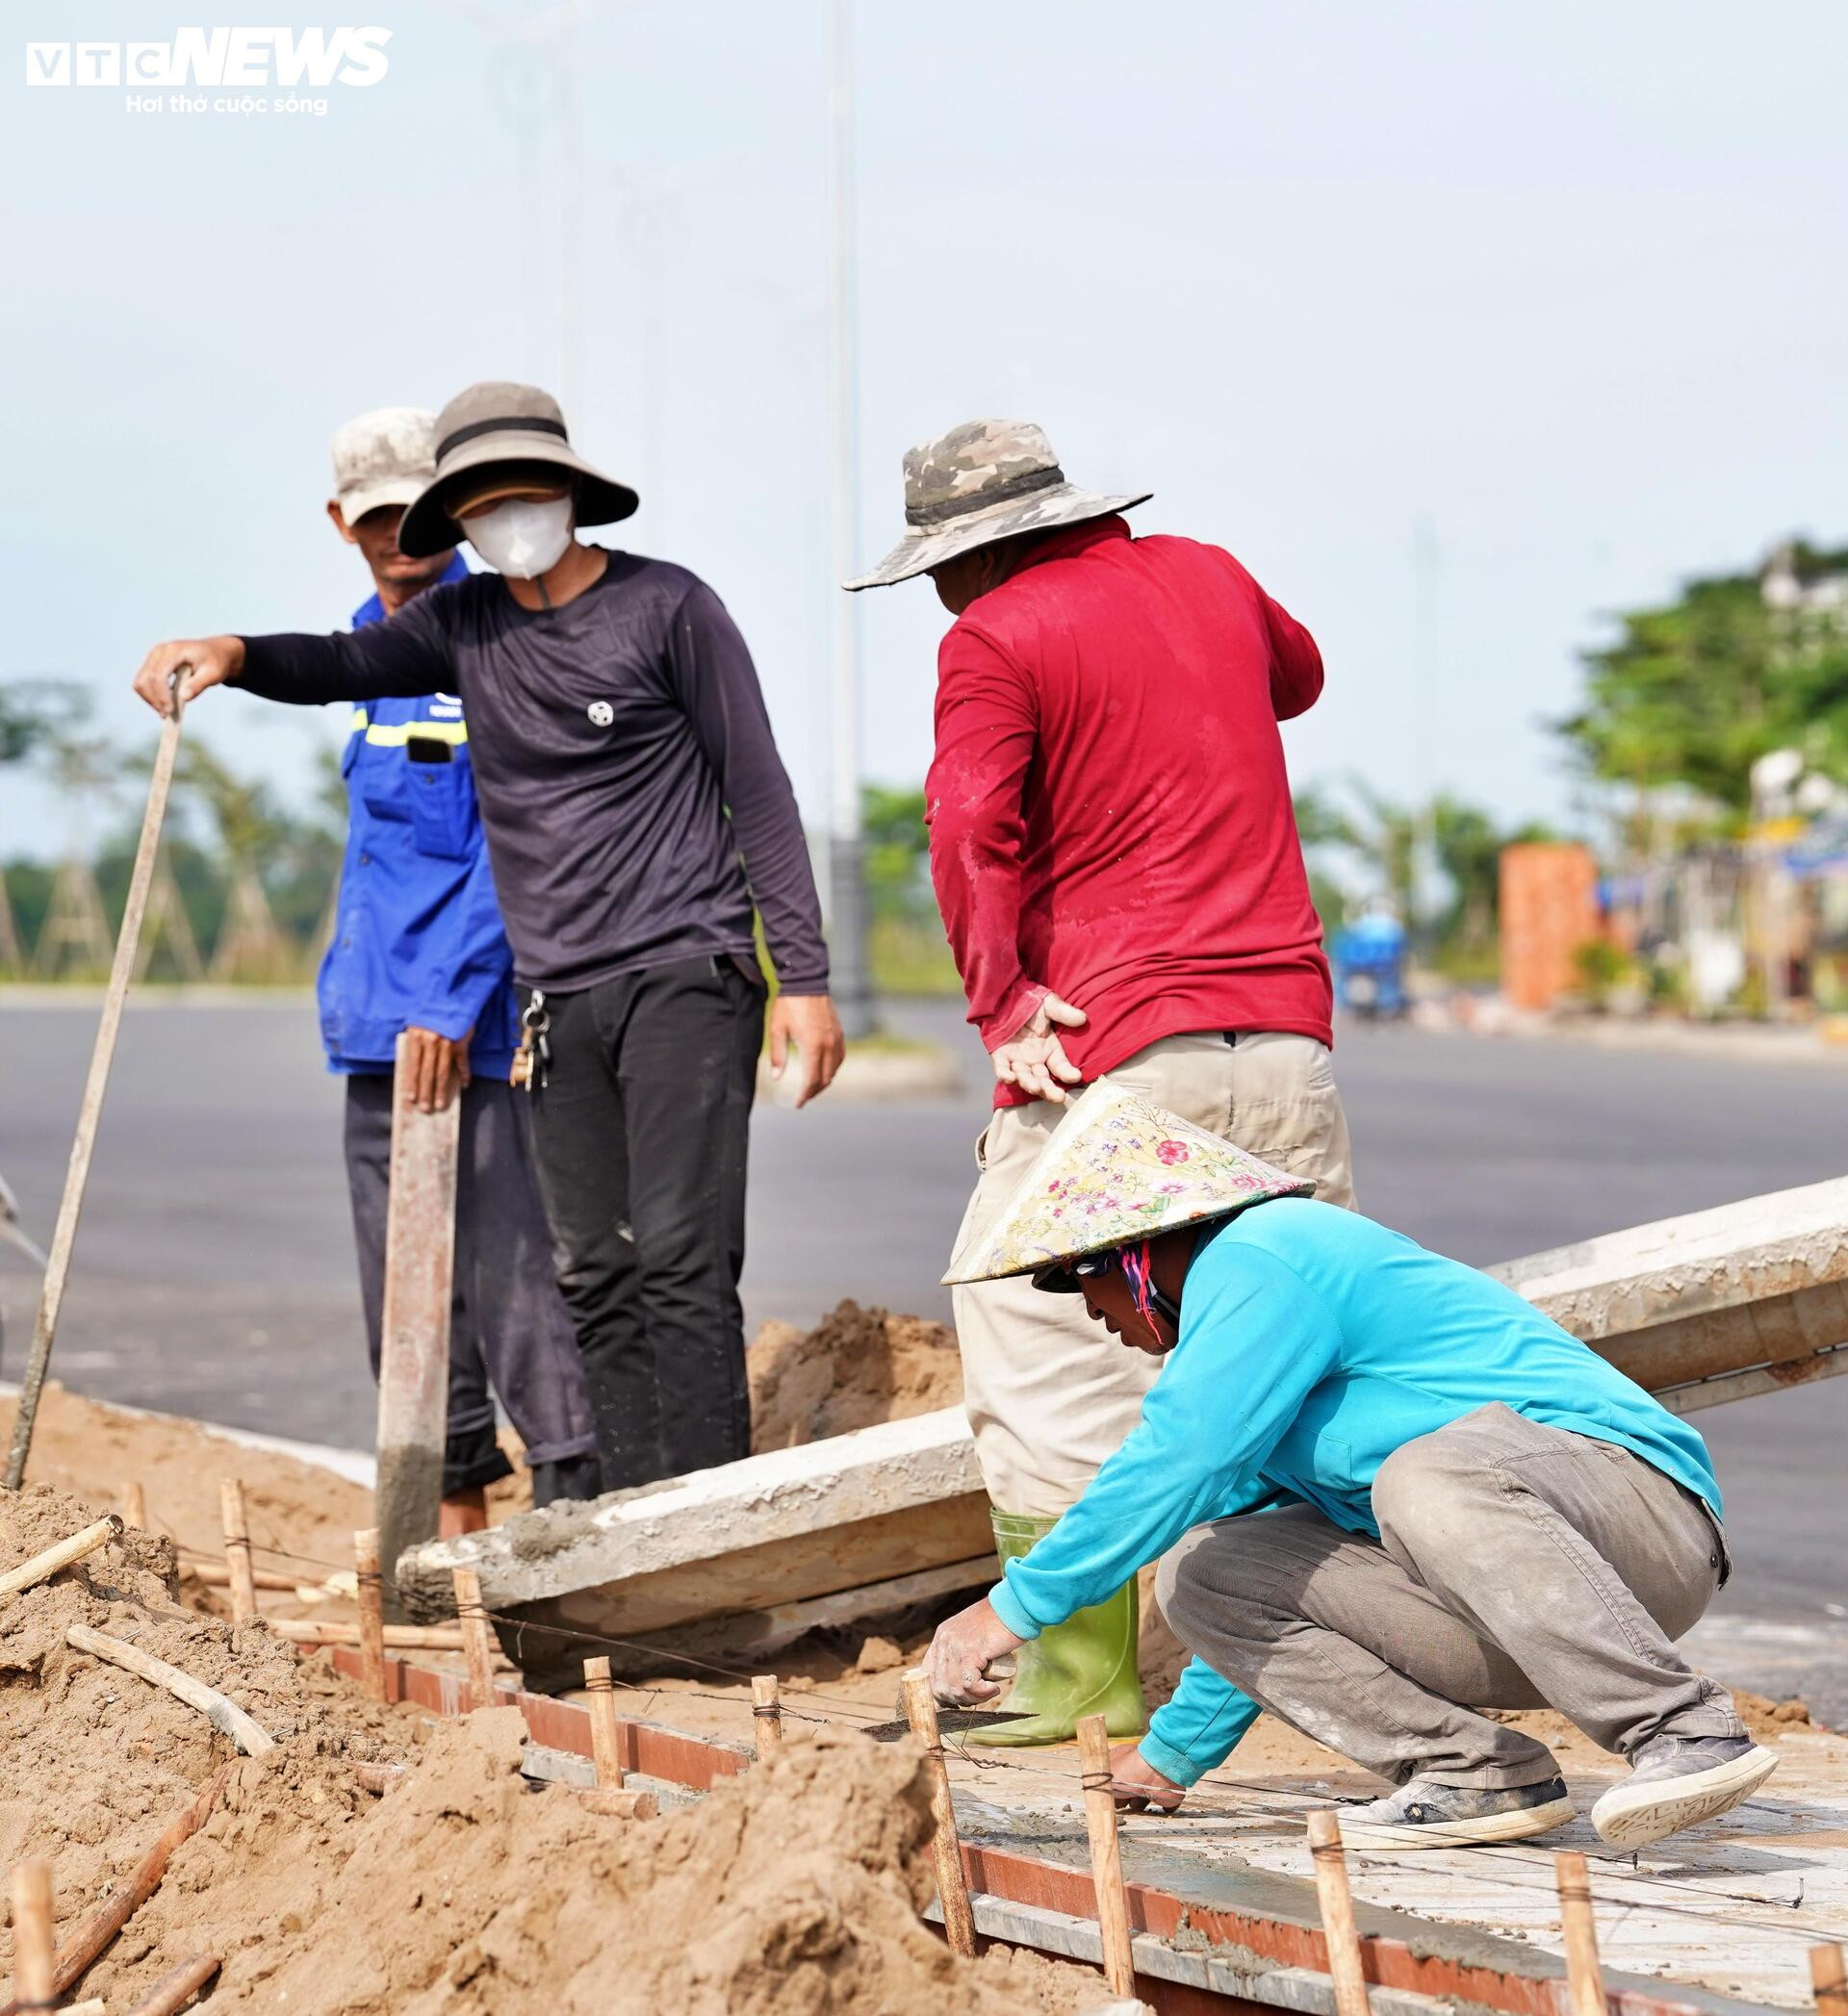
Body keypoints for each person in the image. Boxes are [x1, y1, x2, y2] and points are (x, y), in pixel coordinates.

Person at [134, 382, 844, 1492]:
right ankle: (635, 1524)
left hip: (684, 968)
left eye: (527, 489)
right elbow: (336, 664)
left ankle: (713, 1519)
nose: (510, 514)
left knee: (679, 1256)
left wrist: (802, 975)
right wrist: (228, 650)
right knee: (594, 1268)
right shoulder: (463, 627)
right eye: (484, 499)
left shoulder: (667, 607)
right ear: (458, 517)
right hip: (559, 994)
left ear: (568, 492)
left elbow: (756, 788)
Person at [845, 417, 1356, 1744]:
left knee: (1039, 1341)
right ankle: (1313, 1665)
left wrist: (1002, 1000)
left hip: (1121, 1052)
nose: (939, 598)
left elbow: (969, 822)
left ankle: (1075, 1674)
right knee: (1283, 1347)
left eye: (938, 573)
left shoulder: (995, 634)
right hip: (1285, 1041)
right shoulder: (1213, 574)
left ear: (976, 553)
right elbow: (1297, 679)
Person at [922, 1082, 1777, 1851]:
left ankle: (1682, 1729)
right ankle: (1475, 1773)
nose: (1091, 1312)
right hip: (1516, 1604)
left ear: (1134, 1253)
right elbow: (1267, 1576)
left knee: (1422, 1477)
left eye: (1081, 1282)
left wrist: (1010, 1610)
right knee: (1205, 1571)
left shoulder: (1263, 1253)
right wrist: (1170, 1757)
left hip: (1640, 1526)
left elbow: (1176, 1455)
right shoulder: (1259, 1368)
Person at [320, 406, 600, 1529]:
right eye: (377, 518)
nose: (400, 538)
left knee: (514, 1274)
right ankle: (449, 1526)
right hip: (372, 1023)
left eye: (417, 516)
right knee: (401, 1294)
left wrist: (448, 999)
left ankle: (576, 1510)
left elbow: (514, 845)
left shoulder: (496, 642)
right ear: (341, 522)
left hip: (471, 1024)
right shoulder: (360, 652)